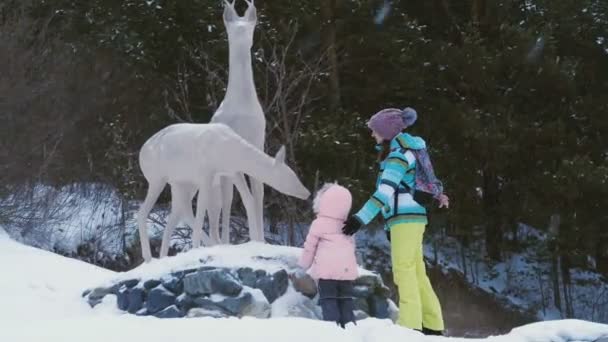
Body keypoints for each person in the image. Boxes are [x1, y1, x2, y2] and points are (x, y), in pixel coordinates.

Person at [342, 107, 448, 336]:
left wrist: (359, 219)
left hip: (405, 220)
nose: (372, 135)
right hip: (414, 218)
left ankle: (410, 327)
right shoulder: (410, 150)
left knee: (404, 272)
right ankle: (432, 324)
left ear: (387, 132)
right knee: (417, 271)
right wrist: (390, 224)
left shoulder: (398, 156)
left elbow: (384, 193)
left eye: (375, 131)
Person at [298, 183, 358, 328]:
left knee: (329, 299)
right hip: (345, 271)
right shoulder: (348, 225)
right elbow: (352, 247)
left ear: (322, 202)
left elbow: (310, 246)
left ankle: (332, 329)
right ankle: (350, 329)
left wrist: (303, 264)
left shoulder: (319, 223)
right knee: (346, 300)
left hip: (326, 272)